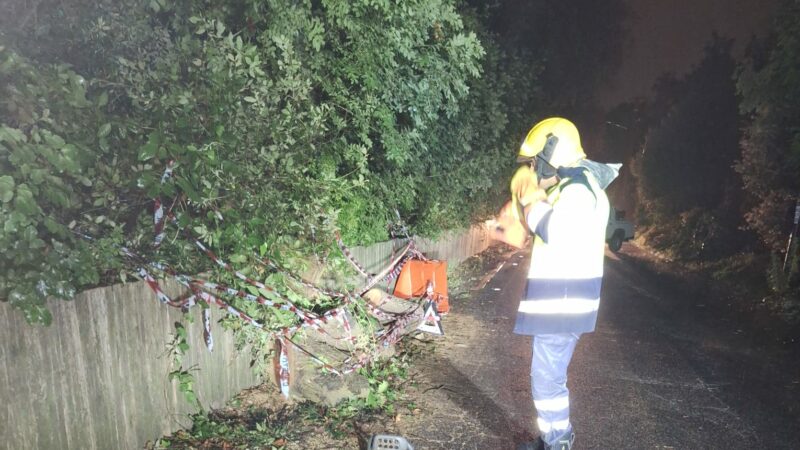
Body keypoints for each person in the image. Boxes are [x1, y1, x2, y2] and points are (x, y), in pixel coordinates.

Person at [511, 118, 619, 450]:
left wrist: (530, 199)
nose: (533, 170)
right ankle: (552, 439)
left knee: (546, 381)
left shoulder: (578, 191)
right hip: (564, 304)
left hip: (564, 305)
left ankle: (558, 442)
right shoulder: (577, 187)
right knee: (548, 378)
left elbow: (555, 231)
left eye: (535, 163)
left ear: (550, 156)